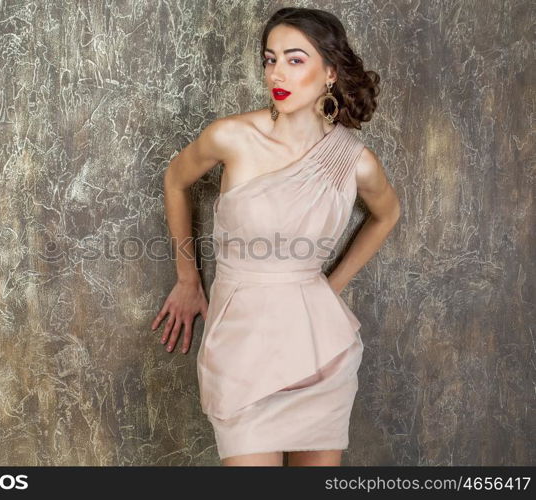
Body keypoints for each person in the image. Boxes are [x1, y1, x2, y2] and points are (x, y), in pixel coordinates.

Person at [151, 7, 401, 466]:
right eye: (270, 59)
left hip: (320, 350)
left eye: (295, 59)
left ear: (330, 72)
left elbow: (387, 214)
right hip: (240, 344)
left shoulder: (353, 159)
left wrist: (332, 285)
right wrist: (188, 279)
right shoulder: (231, 136)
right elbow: (175, 180)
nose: (277, 73)